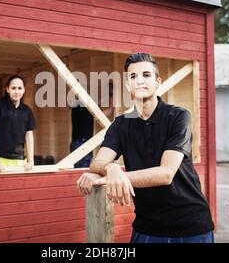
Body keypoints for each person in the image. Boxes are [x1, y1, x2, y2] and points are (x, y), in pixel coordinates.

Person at [76, 53, 214, 243]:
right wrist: (111, 168)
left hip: (189, 226)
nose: (140, 80)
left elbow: (165, 174)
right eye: (133, 77)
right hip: (147, 226)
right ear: (127, 85)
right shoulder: (121, 125)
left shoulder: (178, 116)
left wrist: (110, 178)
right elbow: (98, 162)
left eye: (146, 75)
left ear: (158, 81)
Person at [0, 75, 36, 172]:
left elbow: (29, 135)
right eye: (13, 88)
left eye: (19, 88)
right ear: (7, 89)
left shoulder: (27, 111)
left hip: (18, 160)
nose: (17, 91)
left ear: (24, 90)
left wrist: (31, 161)